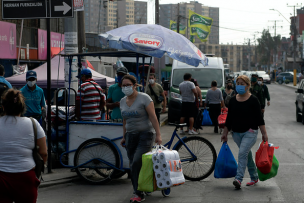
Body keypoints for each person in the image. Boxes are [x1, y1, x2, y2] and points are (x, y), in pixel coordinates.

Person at [119, 75, 162, 203]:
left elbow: (153, 117)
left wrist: (158, 135)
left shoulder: (144, 98)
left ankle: (138, 193)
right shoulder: (122, 101)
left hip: (146, 134)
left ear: (134, 85)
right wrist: (124, 136)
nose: (126, 87)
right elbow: (125, 120)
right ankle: (142, 187)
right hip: (130, 136)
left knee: (137, 161)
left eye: (128, 85)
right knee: (133, 165)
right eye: (123, 85)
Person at [0, 89, 47, 203]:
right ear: (22, 107)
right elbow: (44, 153)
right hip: (26, 177)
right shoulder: (33, 124)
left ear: (3, 107)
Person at [221, 75, 268, 189]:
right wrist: (225, 133)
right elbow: (229, 118)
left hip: (250, 132)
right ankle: (254, 176)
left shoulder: (253, 100)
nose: (240, 86)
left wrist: (264, 134)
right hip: (236, 133)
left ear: (248, 86)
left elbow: (259, 118)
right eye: (238, 83)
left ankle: (238, 178)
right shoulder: (232, 100)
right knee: (247, 155)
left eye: (242, 84)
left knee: (242, 153)